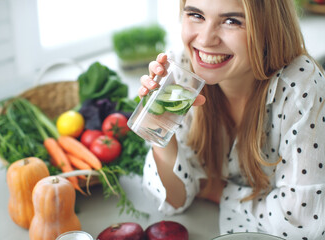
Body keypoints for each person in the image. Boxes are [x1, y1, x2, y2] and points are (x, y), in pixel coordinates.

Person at [138, 0, 325, 239]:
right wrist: (159, 128)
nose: (205, 40)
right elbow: (175, 200)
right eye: (196, 15)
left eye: (232, 21)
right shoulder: (182, 69)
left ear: (269, 28)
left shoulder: (300, 87)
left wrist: (218, 191)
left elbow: (303, 225)